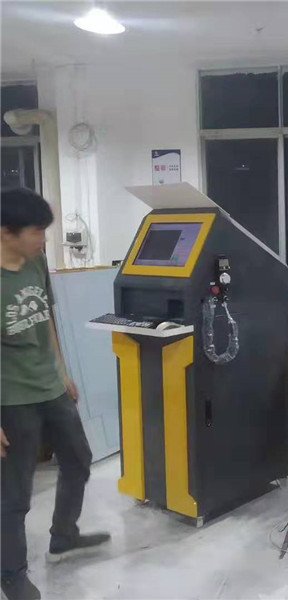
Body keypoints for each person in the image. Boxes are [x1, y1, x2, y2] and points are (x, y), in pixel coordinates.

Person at [1, 188, 110, 600]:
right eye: (36, 231)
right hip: (11, 399)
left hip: (50, 386)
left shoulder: (35, 262)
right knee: (14, 494)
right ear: (7, 232)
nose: (44, 240)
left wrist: (63, 372)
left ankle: (64, 535)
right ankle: (12, 575)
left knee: (78, 460)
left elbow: (45, 318)